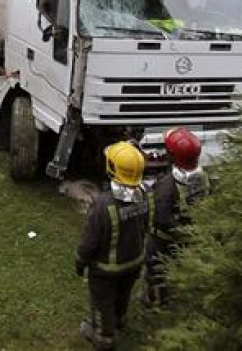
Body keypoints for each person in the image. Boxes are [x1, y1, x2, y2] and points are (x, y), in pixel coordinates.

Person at [74, 142, 148, 350]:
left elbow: (89, 243)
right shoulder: (145, 194)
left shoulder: (102, 206)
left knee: (101, 302)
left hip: (106, 271)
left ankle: (103, 335)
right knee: (123, 293)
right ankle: (120, 318)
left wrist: (80, 261)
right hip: (134, 263)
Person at [143, 128, 210, 306]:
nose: (166, 152)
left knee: (155, 268)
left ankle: (155, 300)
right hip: (184, 235)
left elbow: (161, 218)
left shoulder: (166, 187)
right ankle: (169, 293)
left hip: (162, 239)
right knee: (173, 265)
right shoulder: (201, 178)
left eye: (168, 151)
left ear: (174, 157)